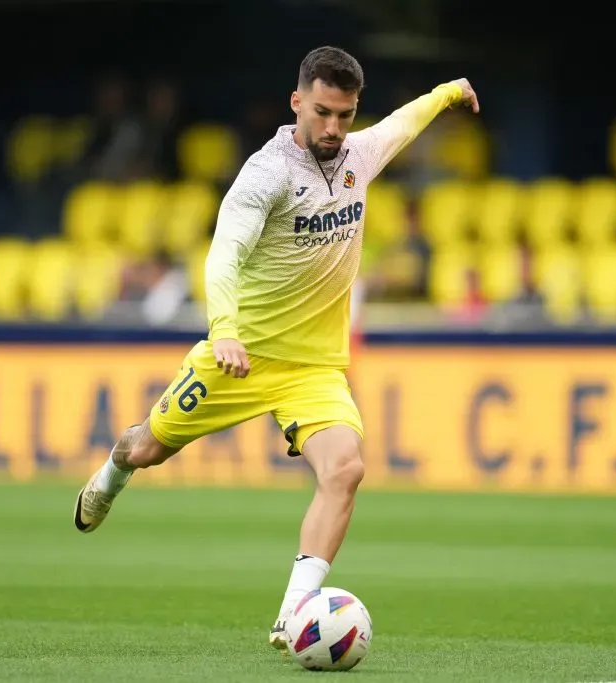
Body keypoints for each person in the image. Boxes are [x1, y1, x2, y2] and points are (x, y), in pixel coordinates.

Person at [72, 45, 480, 653]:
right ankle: (112, 473)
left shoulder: (358, 156)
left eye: (345, 115)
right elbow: (224, 256)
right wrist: (227, 329)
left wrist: (449, 91)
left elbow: (404, 121)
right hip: (239, 355)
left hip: (312, 369)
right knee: (149, 447)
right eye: (322, 113)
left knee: (346, 469)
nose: (334, 128)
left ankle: (294, 616)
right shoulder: (265, 173)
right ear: (297, 103)